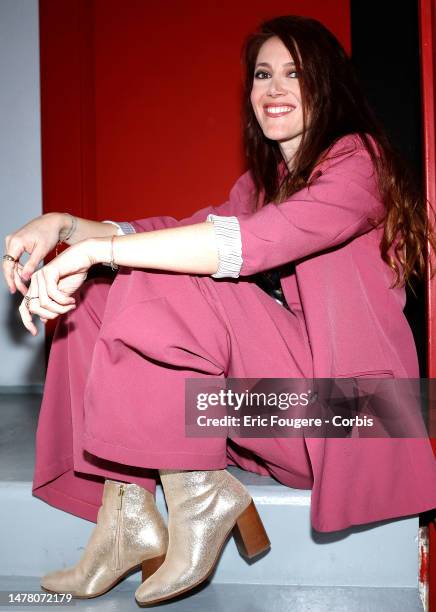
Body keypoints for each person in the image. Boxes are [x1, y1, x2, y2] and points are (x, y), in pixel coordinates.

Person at [3, 14, 436, 607]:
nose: (275, 88)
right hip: (278, 414)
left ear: (330, 86)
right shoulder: (265, 184)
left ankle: (201, 493)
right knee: (100, 294)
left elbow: (246, 245)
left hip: (355, 415)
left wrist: (101, 251)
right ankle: (127, 515)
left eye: (296, 73)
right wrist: (68, 226)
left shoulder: (359, 163)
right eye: (263, 74)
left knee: (163, 266)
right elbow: (179, 230)